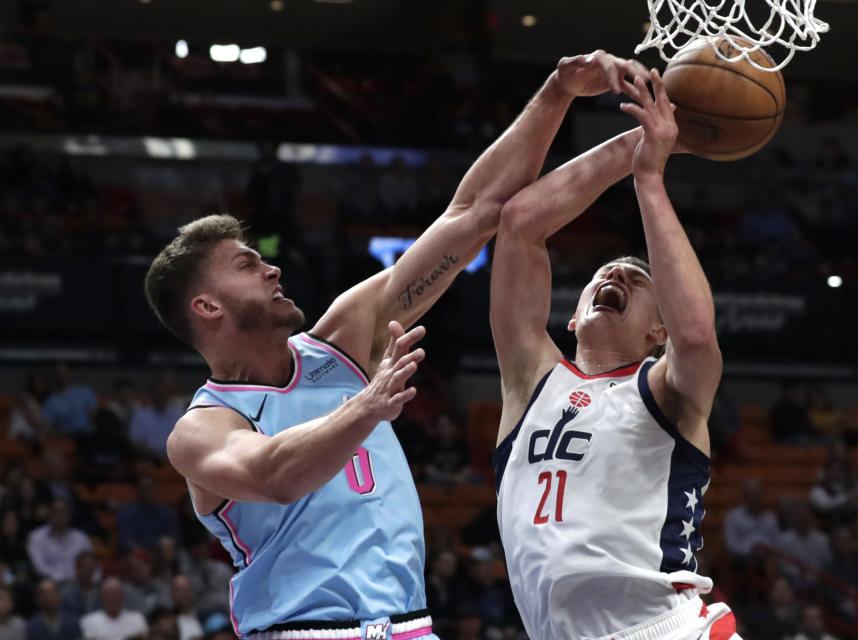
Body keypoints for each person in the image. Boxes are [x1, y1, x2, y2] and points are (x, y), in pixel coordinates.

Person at [144, 51, 643, 639]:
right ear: (207, 307)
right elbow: (275, 475)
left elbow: (476, 212)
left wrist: (563, 94)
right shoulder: (203, 429)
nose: (272, 270)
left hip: (411, 628)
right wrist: (368, 404)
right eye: (247, 265)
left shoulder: (343, 340)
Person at [489, 69, 738, 639]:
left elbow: (697, 336)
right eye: (605, 271)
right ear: (573, 317)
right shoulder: (531, 380)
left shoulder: (665, 391)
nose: (617, 270)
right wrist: (640, 140)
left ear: (658, 332)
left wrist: (650, 178)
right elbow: (519, 224)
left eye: (637, 278)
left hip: (667, 628)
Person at [79, 577, 148, 640]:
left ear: (123, 596)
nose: (114, 598)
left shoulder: (137, 619)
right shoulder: (89, 621)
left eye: (117, 594)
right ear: (102, 597)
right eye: (110, 594)